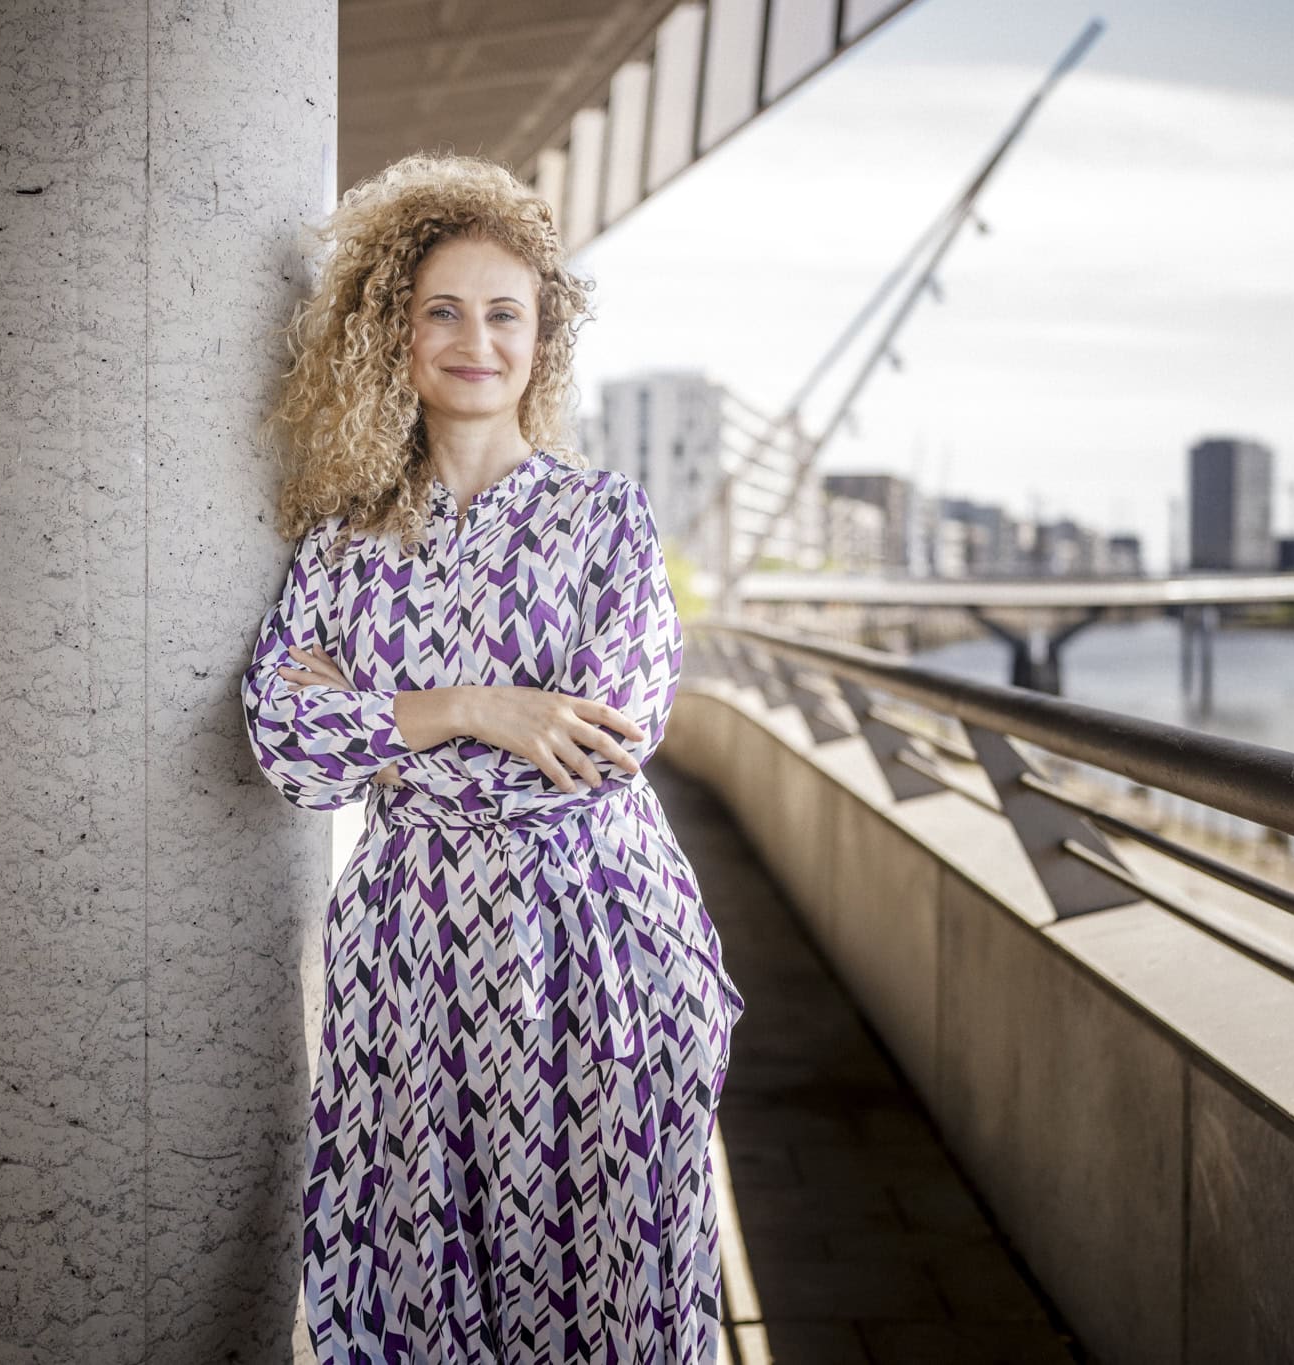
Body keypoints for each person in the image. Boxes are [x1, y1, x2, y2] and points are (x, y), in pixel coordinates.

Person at [240, 152, 746, 1363]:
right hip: (410, 961)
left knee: (608, 1289)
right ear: (393, 335)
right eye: (442, 312)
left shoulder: (605, 520)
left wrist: (379, 718)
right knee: (415, 1283)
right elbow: (281, 745)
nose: (475, 340)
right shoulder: (341, 548)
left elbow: (604, 746)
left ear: (541, 340)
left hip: (592, 952)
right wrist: (478, 704)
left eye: (504, 314)